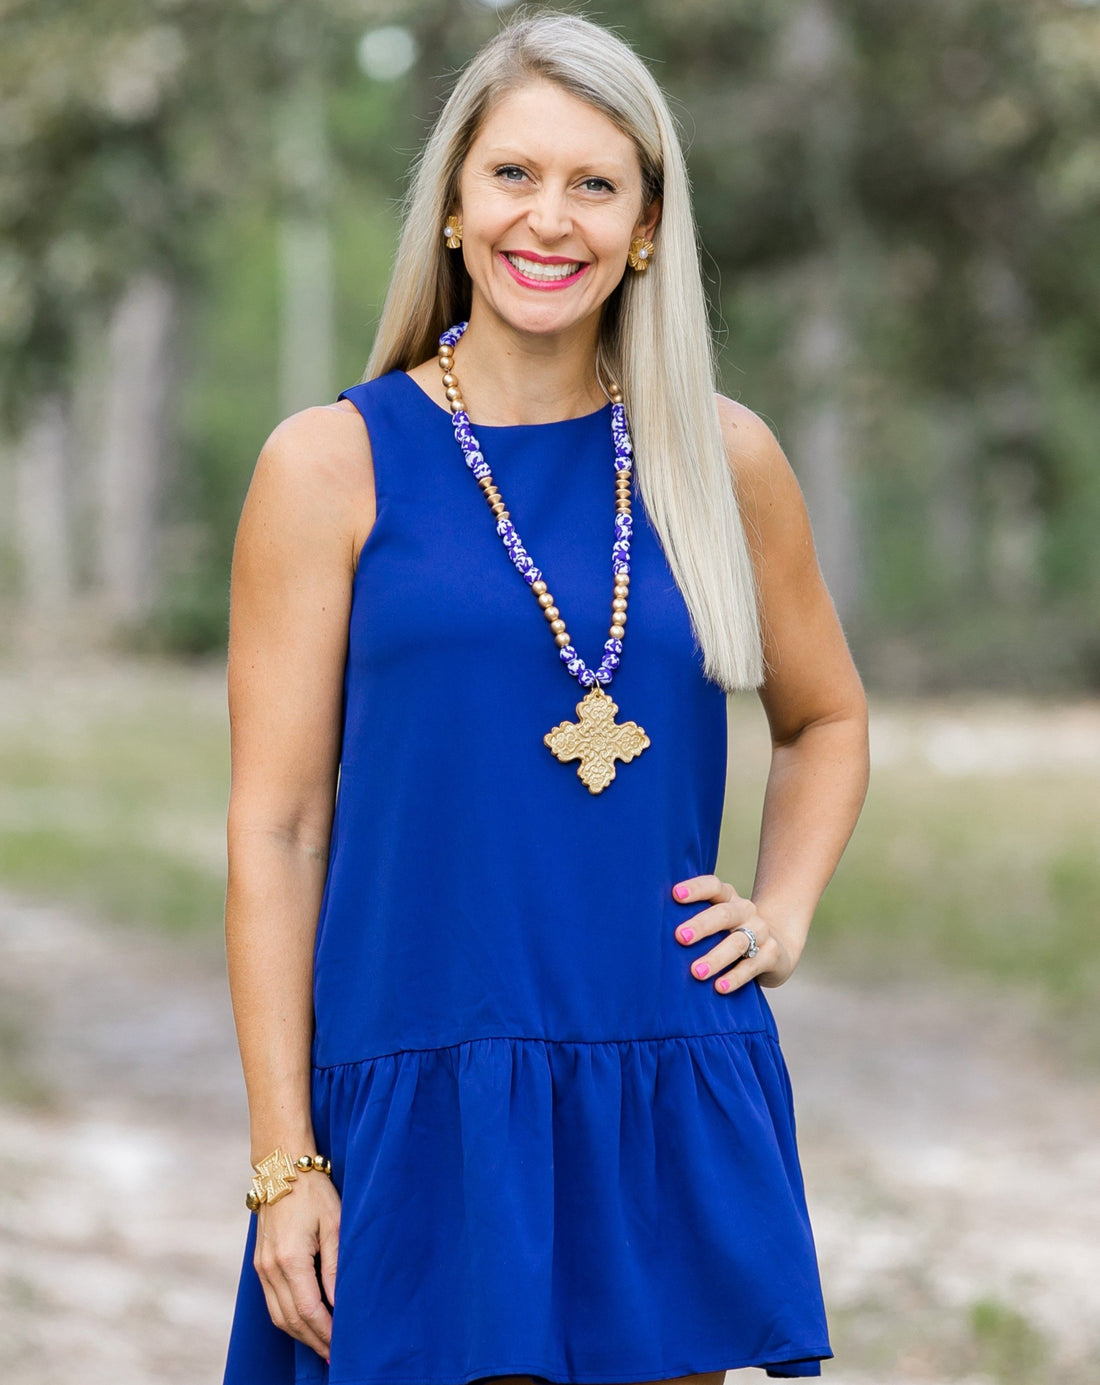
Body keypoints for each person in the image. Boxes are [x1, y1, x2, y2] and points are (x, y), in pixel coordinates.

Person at [220, 11, 869, 1385]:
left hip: (655, 1066)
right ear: (454, 205)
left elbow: (827, 719)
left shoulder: (719, 457)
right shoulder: (329, 465)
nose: (549, 219)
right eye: (514, 174)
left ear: (645, 226)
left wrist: (785, 908)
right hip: (417, 1082)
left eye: (595, 184)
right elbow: (276, 831)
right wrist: (283, 1162)